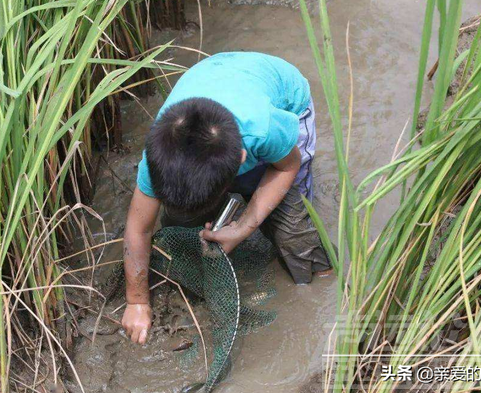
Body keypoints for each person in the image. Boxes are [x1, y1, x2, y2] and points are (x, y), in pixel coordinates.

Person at [121, 52, 331, 344]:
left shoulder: (264, 128)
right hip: (212, 78)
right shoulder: (157, 161)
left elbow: (288, 166)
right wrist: (136, 302)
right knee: (180, 221)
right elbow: (138, 228)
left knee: (291, 225)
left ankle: (318, 271)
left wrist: (244, 227)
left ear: (242, 159)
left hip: (286, 100)